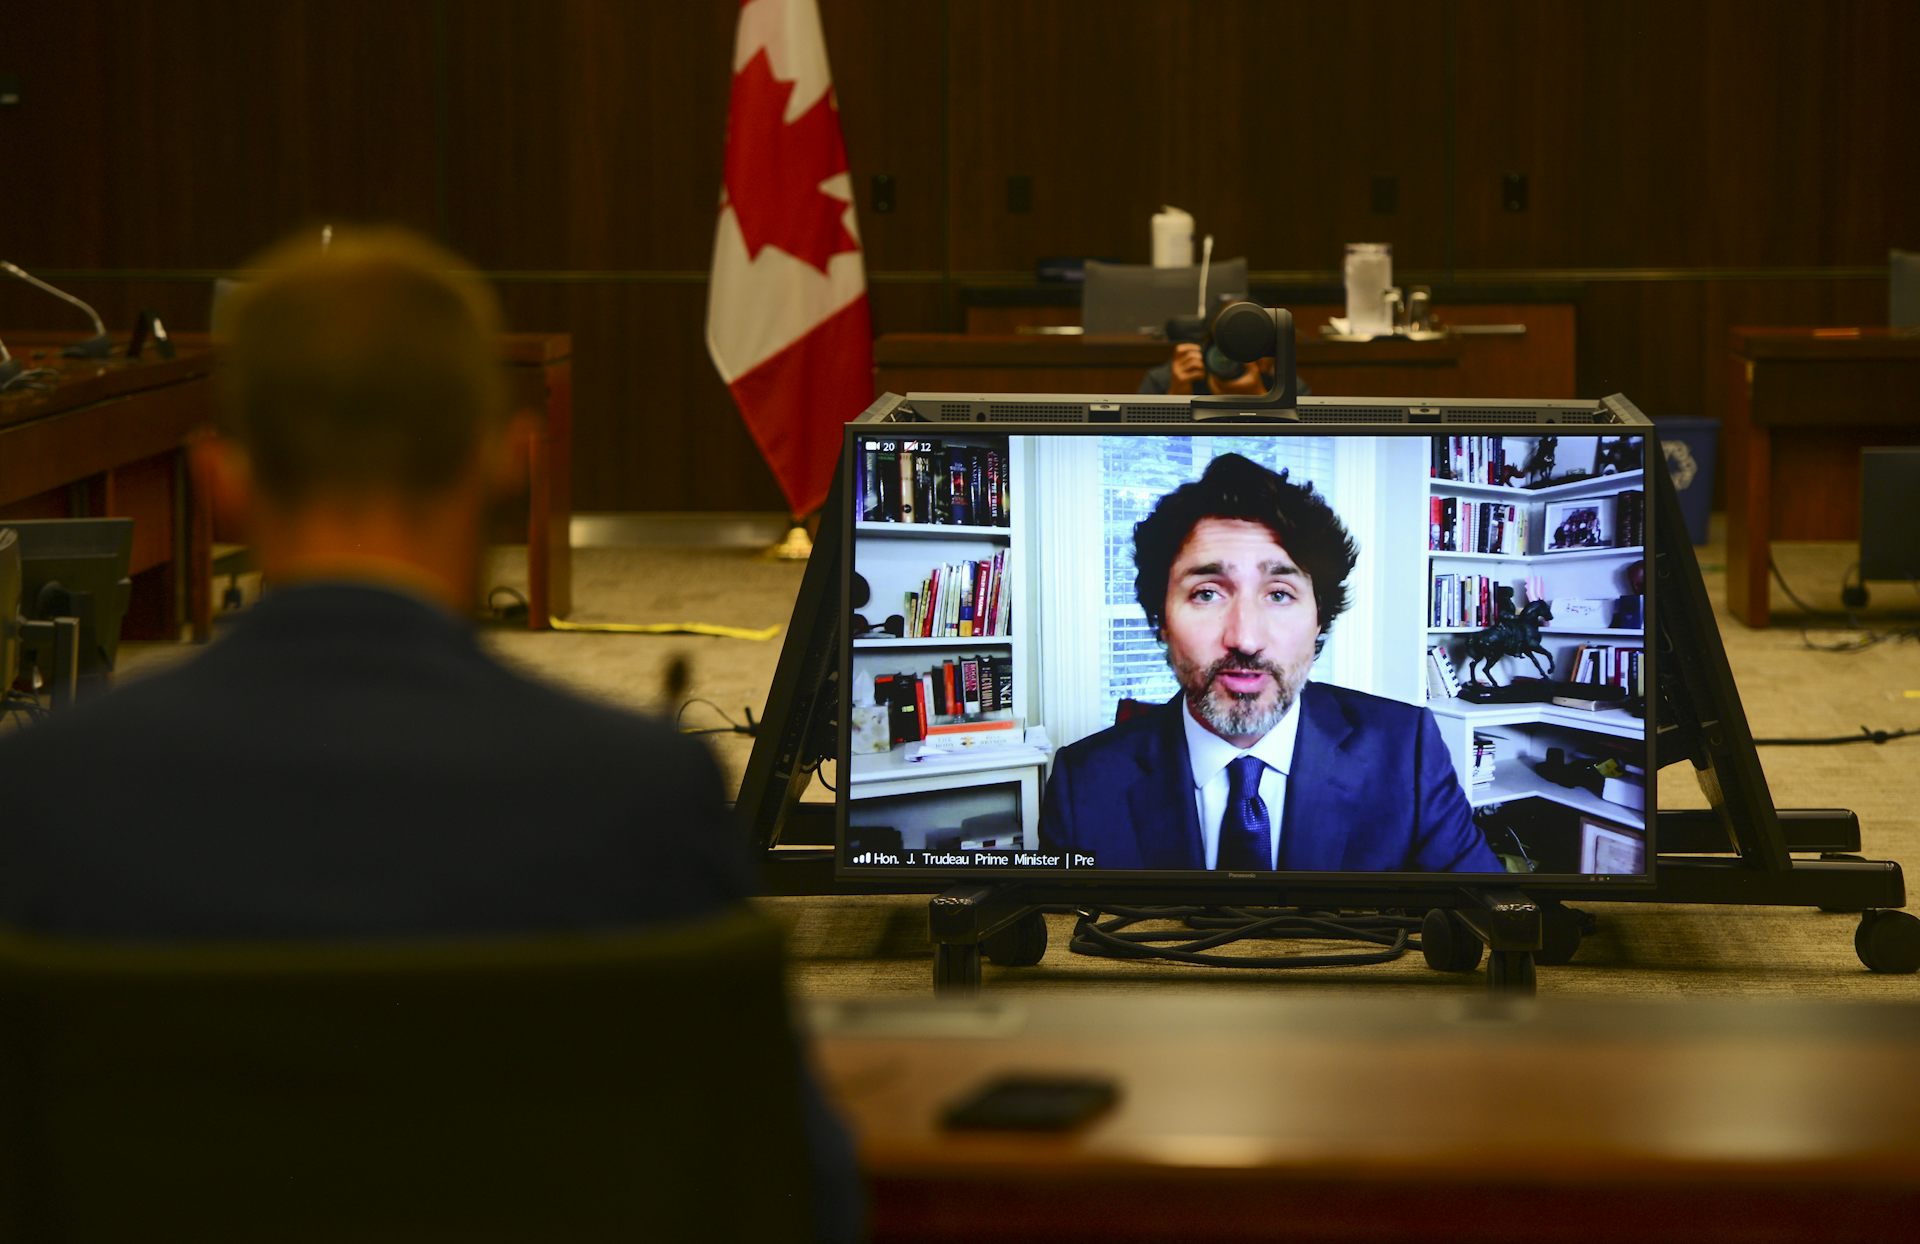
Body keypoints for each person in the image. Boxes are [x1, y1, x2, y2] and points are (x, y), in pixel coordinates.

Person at [0, 227, 860, 1238]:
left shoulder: (43, 788)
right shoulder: (639, 788)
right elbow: (786, 1185)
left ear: (220, 480)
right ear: (504, 460)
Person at [1039, 453, 1500, 873]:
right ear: (1160, 619)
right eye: (1206, 593)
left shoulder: (1407, 753)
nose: (1246, 638)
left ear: (1321, 617)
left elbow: (1488, 919)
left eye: (1280, 594)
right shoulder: (1082, 784)